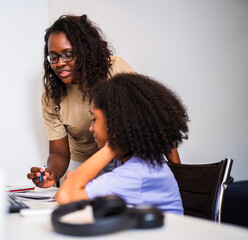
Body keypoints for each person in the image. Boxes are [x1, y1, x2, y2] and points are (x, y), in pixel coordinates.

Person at [27, 14, 180, 188]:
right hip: (87, 162)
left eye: (68, 54)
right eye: (53, 57)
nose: (60, 63)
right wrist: (51, 174)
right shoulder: (51, 96)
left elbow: (155, 117)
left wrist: (179, 174)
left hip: (127, 157)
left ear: (84, 51)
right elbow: (58, 152)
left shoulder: (115, 70)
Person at [55, 73, 189, 214]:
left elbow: (65, 196)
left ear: (116, 122)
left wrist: (112, 144)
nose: (91, 128)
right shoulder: (131, 160)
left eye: (94, 119)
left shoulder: (138, 172)